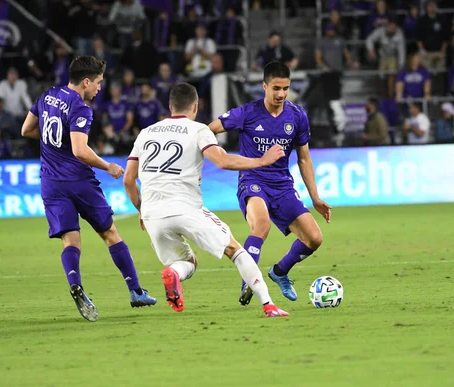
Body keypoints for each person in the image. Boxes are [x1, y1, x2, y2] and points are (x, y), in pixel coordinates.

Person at [123, 82, 289, 318]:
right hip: (185, 208)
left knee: (187, 262)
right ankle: (268, 304)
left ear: (170, 107)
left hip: (152, 214)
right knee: (234, 249)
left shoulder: (145, 133)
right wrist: (261, 160)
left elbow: (129, 180)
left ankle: (174, 275)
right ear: (196, 107)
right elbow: (222, 161)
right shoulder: (199, 130)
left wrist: (140, 209)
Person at [20, 56, 157, 322]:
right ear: (86, 81)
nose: (99, 88)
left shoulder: (47, 96)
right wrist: (108, 166)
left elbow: (27, 130)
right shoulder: (81, 108)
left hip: (50, 182)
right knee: (110, 233)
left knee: (71, 241)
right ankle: (136, 291)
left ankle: (76, 285)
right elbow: (80, 151)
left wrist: (55, 142)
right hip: (79, 181)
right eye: (98, 82)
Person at [208, 61, 332, 306]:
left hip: (282, 186)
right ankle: (249, 282)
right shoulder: (246, 113)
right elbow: (207, 131)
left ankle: (280, 272)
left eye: (285, 88)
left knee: (314, 238)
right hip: (252, 181)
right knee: (261, 226)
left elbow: (304, 158)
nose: (281, 94)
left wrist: (315, 197)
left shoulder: (297, 116)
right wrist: (204, 154)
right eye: (276, 88)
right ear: (264, 86)